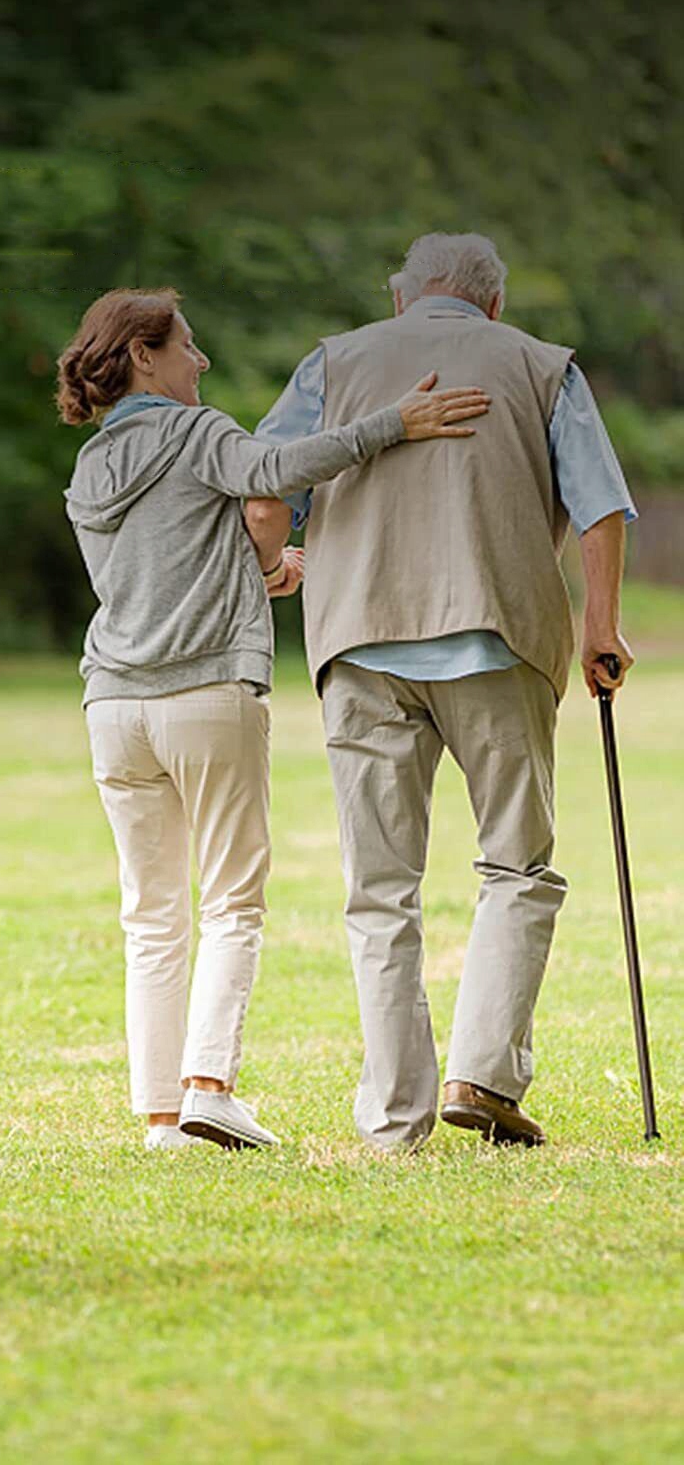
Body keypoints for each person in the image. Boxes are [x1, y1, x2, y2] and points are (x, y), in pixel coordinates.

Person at [56, 287, 490, 1151]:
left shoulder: (90, 467)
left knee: (149, 913)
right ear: (144, 356)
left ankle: (159, 1116)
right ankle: (209, 1085)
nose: (201, 361)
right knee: (231, 901)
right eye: (187, 345)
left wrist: (256, 567)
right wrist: (392, 425)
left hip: (112, 702)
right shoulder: (199, 432)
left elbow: (162, 567)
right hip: (206, 692)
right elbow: (277, 478)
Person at [256, 231, 637, 1151]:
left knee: (380, 888)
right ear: (493, 304)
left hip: (360, 643)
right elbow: (600, 505)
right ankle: (481, 1077)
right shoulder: (545, 367)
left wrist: (275, 565)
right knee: (516, 864)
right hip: (498, 639)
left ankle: (394, 1120)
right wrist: (599, 628)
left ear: (402, 300)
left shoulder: (332, 364)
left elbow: (266, 492)